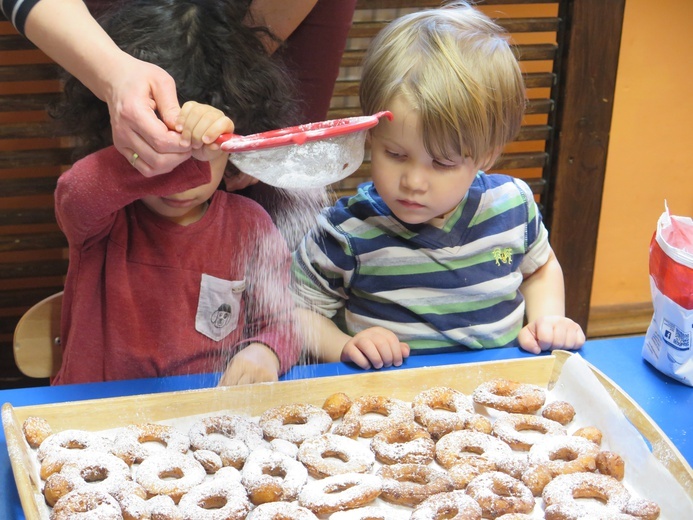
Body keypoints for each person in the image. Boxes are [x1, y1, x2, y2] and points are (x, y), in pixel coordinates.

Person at [292, 1, 586, 370]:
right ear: (370, 135)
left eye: (443, 163)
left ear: (485, 155)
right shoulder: (345, 232)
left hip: (495, 402)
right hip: (391, 410)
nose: (413, 182)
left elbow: (540, 268)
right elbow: (293, 312)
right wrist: (345, 346)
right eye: (395, 154)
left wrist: (549, 320)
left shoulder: (512, 206)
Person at [51, 0, 302, 386]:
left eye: (205, 150)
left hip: (205, 424)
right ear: (118, 129)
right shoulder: (103, 222)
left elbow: (282, 321)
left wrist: (264, 350)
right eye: (159, 145)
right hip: (97, 418)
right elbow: (75, 193)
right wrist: (181, 158)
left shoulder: (249, 225)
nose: (183, 177)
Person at [2, 0, 355, 176]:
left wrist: (237, 82)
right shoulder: (95, 211)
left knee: (262, 180)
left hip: (270, 16)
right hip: (137, 31)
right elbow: (79, 198)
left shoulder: (252, 227)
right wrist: (113, 74)